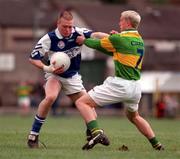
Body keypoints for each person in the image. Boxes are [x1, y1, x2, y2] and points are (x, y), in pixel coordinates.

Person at [75, 10, 164, 150]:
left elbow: (97, 44)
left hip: (121, 84)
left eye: (121, 20)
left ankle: (96, 132)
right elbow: (113, 50)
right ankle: (157, 144)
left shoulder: (119, 39)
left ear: (127, 22)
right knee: (134, 117)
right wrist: (114, 39)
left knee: (82, 102)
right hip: (135, 87)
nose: (119, 22)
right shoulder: (140, 40)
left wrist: (84, 41)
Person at [27, 10, 109, 148]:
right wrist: (48, 69)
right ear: (58, 23)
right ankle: (33, 136)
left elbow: (96, 34)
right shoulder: (49, 38)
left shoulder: (77, 32)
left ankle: (91, 134)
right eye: (65, 26)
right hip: (55, 75)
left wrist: (112, 37)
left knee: (89, 107)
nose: (68, 29)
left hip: (73, 77)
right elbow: (33, 58)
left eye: (70, 26)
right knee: (50, 98)